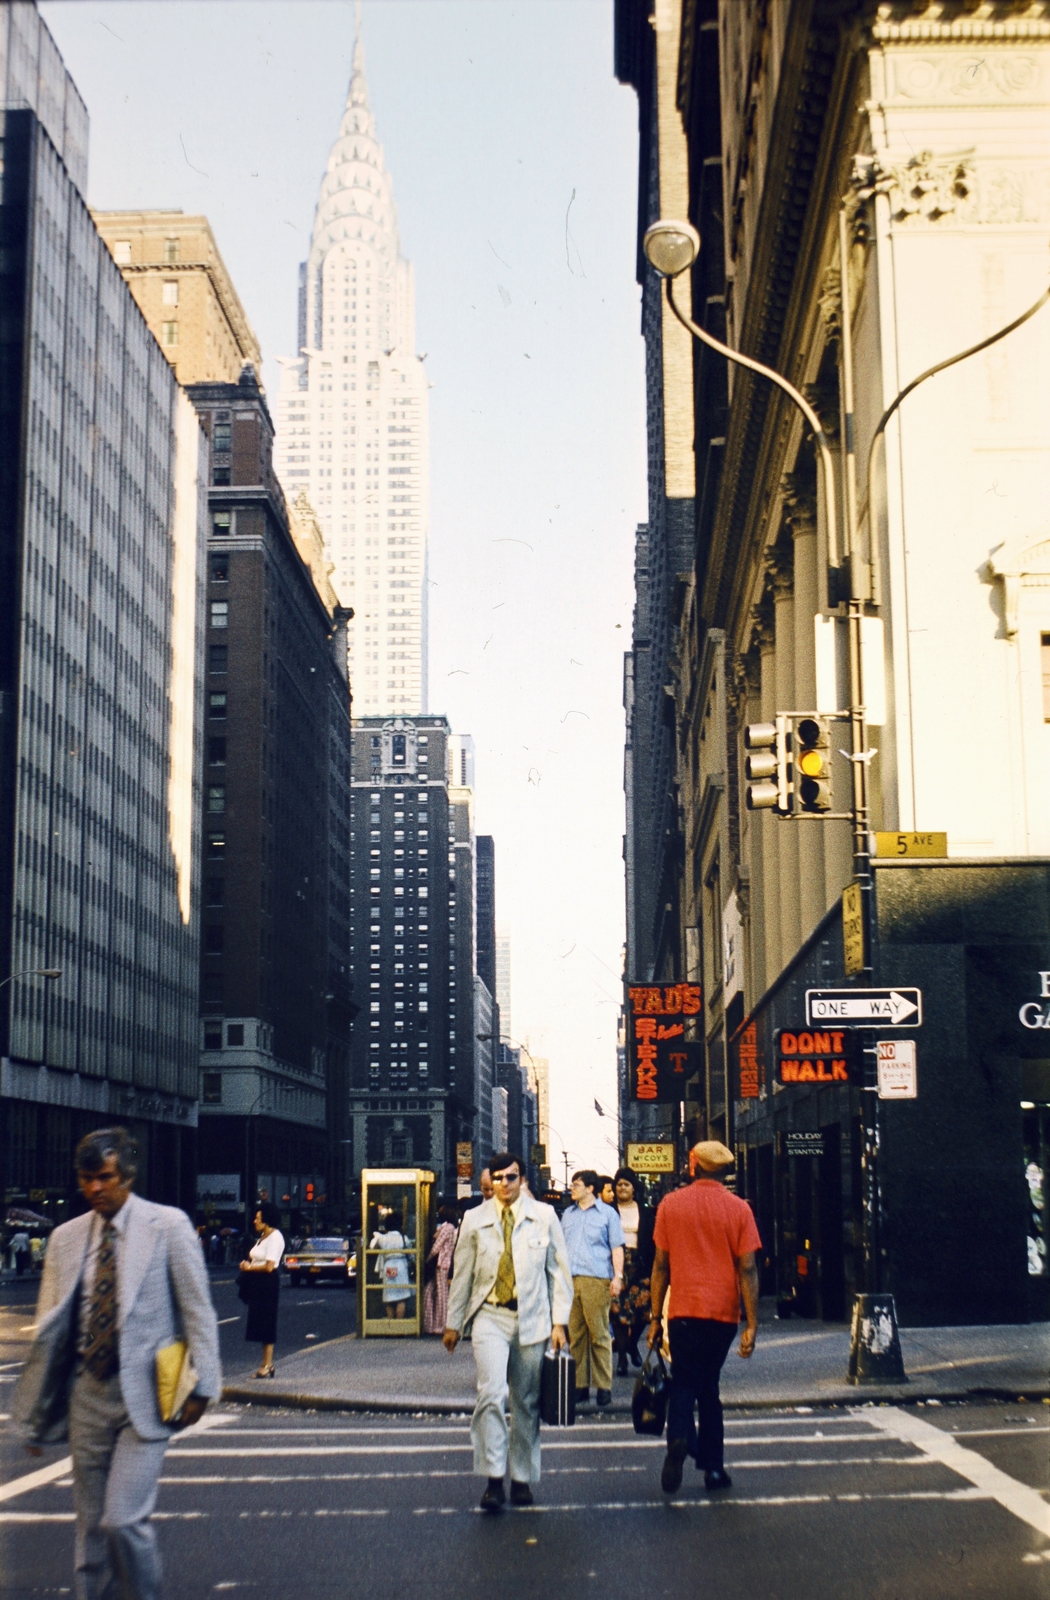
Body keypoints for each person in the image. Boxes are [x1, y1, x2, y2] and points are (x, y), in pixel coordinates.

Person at [12, 1126, 220, 1600]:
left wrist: (203, 1386)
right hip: (86, 1395)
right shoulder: (65, 1239)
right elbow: (50, 1334)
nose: (94, 1189)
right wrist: (34, 1415)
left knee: (122, 1519)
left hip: (144, 1399)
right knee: (89, 1532)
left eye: (103, 1177)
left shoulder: (167, 1226)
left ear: (127, 1175)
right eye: (86, 1179)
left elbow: (197, 1310)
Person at [443, 1151, 573, 1512]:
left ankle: (521, 1479)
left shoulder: (544, 1216)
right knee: (491, 1394)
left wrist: (559, 1322)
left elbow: (558, 1272)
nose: (503, 1184)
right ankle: (493, 1479)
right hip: (489, 1316)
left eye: (510, 1178)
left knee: (526, 1403)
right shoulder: (474, 1219)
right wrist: (453, 1322)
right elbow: (462, 1273)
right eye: (497, 1178)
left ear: (522, 1179)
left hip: (532, 1318)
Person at [648, 1140, 761, 1495]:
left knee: (683, 1380)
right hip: (722, 1313)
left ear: (693, 1166)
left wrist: (655, 1317)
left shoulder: (670, 1205)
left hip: (682, 1310)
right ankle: (713, 1469)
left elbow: (660, 1266)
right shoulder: (740, 1209)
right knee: (709, 1388)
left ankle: (679, 1436)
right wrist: (752, 1323)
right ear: (725, 1170)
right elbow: (747, 1268)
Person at [560, 1170, 625, 1407]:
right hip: (570, 1280)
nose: (571, 1188)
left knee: (599, 1334)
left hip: (596, 1278)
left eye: (576, 1185)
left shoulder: (608, 1214)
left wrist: (617, 1277)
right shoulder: (568, 1214)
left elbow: (617, 1247)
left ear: (590, 1188)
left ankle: (603, 1386)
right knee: (576, 1335)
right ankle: (580, 1385)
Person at [610, 1168, 656, 1375]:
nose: (622, 1188)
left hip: (640, 1264)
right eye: (619, 1184)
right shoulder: (608, 1211)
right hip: (616, 1265)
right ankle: (621, 1357)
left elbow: (653, 1239)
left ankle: (631, 1344)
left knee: (644, 1310)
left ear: (633, 1188)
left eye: (626, 1184)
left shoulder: (645, 1211)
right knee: (618, 1312)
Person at [239, 1201, 284, 1376]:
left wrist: (249, 1268)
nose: (254, 1221)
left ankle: (267, 1365)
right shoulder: (263, 1238)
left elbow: (269, 1266)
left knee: (267, 1322)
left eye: (258, 1218)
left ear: (267, 1220)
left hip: (267, 1283)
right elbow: (260, 1260)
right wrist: (248, 1264)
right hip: (257, 1283)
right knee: (259, 1323)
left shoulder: (275, 1237)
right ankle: (266, 1365)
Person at [370, 1211, 413, 1319]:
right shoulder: (404, 1238)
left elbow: (372, 1247)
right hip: (401, 1266)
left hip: (389, 1266)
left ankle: (390, 1325)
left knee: (389, 1298)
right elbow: (411, 1255)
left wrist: (377, 1235)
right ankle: (399, 1326)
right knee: (401, 1298)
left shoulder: (383, 1238)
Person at [423, 1205, 458, 1334]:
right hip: (443, 1263)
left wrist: (427, 1258)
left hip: (442, 1264)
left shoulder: (447, 1228)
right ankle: (434, 1324)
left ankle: (441, 1325)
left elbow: (437, 1246)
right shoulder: (449, 1228)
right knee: (433, 1291)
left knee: (442, 1295)